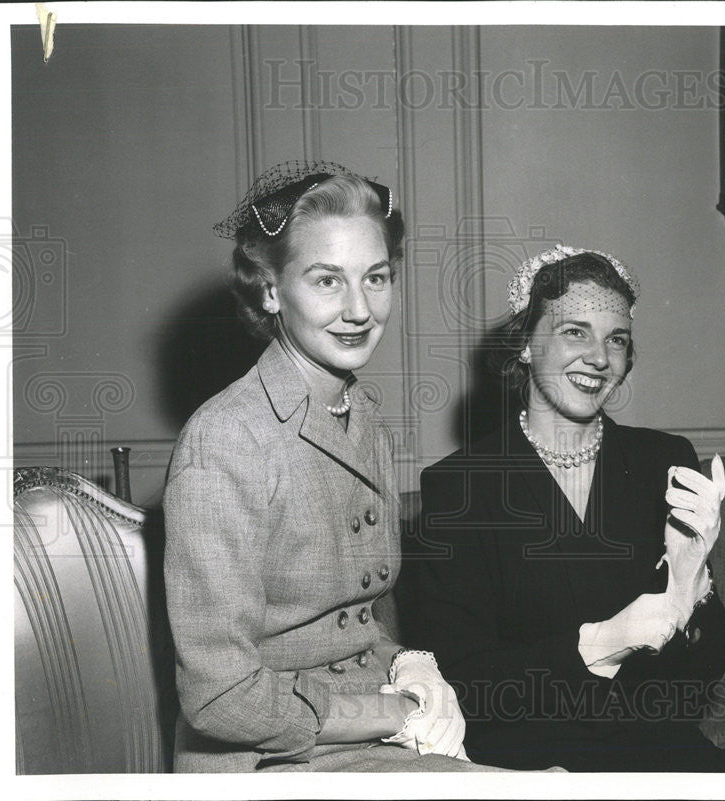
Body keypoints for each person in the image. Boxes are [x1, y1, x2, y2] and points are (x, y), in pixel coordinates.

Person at [163, 161, 511, 772]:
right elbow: (217, 696)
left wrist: (411, 663)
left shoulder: (363, 418)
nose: (359, 309)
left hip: (364, 736)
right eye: (327, 281)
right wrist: (394, 713)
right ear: (271, 290)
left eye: (375, 278)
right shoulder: (224, 440)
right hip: (268, 760)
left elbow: (363, 612)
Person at [401, 245, 725, 771]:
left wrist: (688, 586)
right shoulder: (459, 487)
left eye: (617, 339)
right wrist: (604, 645)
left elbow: (704, 667)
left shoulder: (666, 460)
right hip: (527, 760)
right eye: (575, 332)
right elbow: (463, 682)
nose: (599, 358)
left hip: (656, 749)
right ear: (525, 342)